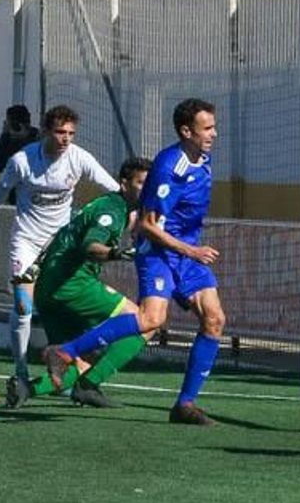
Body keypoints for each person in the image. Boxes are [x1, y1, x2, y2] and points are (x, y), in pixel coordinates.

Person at [45, 98, 224, 426]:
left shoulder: (204, 158)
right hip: (159, 251)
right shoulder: (168, 167)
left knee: (214, 320)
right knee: (149, 319)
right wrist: (190, 251)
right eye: (207, 128)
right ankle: (66, 352)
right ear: (186, 131)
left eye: (213, 126)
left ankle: (184, 405)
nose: (214, 133)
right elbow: (147, 226)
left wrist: (190, 250)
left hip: (186, 251)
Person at [0, 104, 119, 386]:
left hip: (62, 245)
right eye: (60, 132)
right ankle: (21, 372)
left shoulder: (79, 158)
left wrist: (136, 213)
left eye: (71, 133)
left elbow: (114, 190)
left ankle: (71, 360)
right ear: (45, 132)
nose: (65, 139)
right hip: (26, 242)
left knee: (70, 304)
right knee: (24, 307)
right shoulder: (22, 161)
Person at [5, 156, 151, 409]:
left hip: (47, 289)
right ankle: (89, 387)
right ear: (124, 183)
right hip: (71, 284)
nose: (147, 189)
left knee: (81, 360)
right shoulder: (113, 209)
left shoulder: (113, 206)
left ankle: (25, 389)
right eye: (141, 183)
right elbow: (90, 247)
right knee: (146, 321)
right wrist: (118, 253)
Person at [0, 105, 40, 205]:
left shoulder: (36, 138)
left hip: (33, 197)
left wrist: (24, 139)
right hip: (14, 197)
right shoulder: (8, 138)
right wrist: (4, 136)